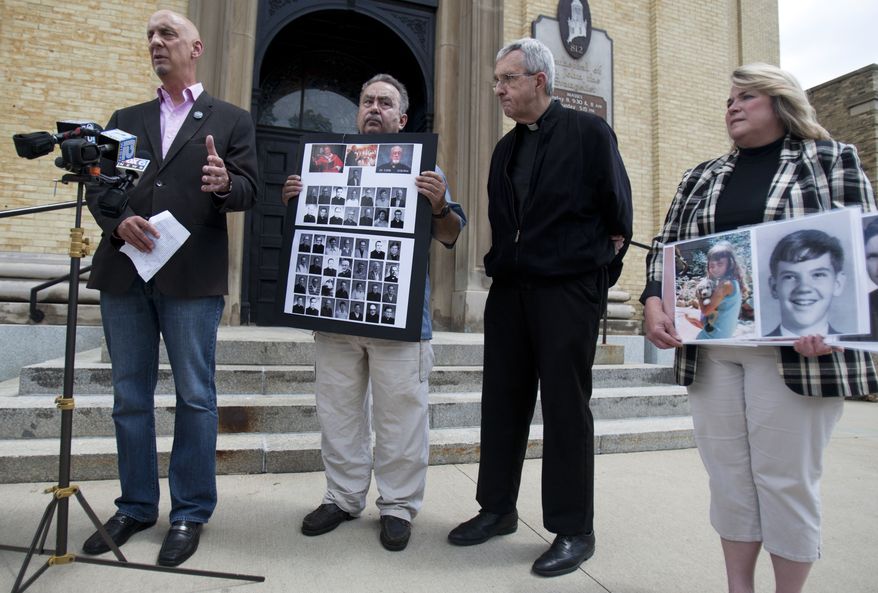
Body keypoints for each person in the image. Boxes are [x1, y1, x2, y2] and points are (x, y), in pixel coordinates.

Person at [642, 63, 877, 593]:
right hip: (714, 349)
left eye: (747, 97)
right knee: (729, 482)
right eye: (729, 99)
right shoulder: (700, 176)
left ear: (781, 102)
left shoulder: (830, 160)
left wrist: (836, 328)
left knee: (786, 482)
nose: (733, 106)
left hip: (797, 353)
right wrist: (654, 299)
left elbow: (862, 247)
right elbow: (665, 249)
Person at [447, 38, 631, 578]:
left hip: (567, 292)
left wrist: (591, 285)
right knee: (501, 402)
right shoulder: (505, 149)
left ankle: (574, 528)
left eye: (507, 79)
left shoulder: (590, 134)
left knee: (566, 407)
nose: (499, 90)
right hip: (510, 292)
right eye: (496, 81)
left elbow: (619, 219)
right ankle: (497, 509)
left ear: (538, 81)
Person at [81, 9, 258, 568]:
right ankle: (135, 505)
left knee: (195, 397)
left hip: (191, 279)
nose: (156, 43)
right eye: (150, 36)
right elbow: (100, 187)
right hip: (127, 274)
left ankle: (189, 512)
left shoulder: (230, 120)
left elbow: (252, 188)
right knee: (129, 398)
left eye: (168, 35)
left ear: (196, 46)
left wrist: (228, 182)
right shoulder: (124, 118)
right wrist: (116, 221)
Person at [282, 73, 466, 551]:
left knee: (400, 417)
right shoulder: (326, 164)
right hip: (335, 315)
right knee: (338, 412)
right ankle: (342, 497)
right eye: (367, 101)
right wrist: (296, 201)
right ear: (358, 111)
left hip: (399, 319)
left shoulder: (426, 170)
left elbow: (449, 234)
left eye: (385, 103)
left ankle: (399, 505)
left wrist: (440, 204)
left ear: (402, 118)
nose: (374, 108)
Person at [765, 230, 846, 337]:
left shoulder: (855, 345)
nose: (804, 288)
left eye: (818, 275)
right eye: (790, 277)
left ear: (838, 284)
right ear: (774, 287)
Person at [683, 241, 748, 340]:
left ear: (729, 264)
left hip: (712, 338)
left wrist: (699, 292)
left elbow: (705, 311)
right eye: (712, 265)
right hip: (725, 334)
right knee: (689, 315)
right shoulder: (733, 282)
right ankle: (706, 327)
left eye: (720, 264)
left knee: (689, 315)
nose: (715, 268)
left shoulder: (725, 285)